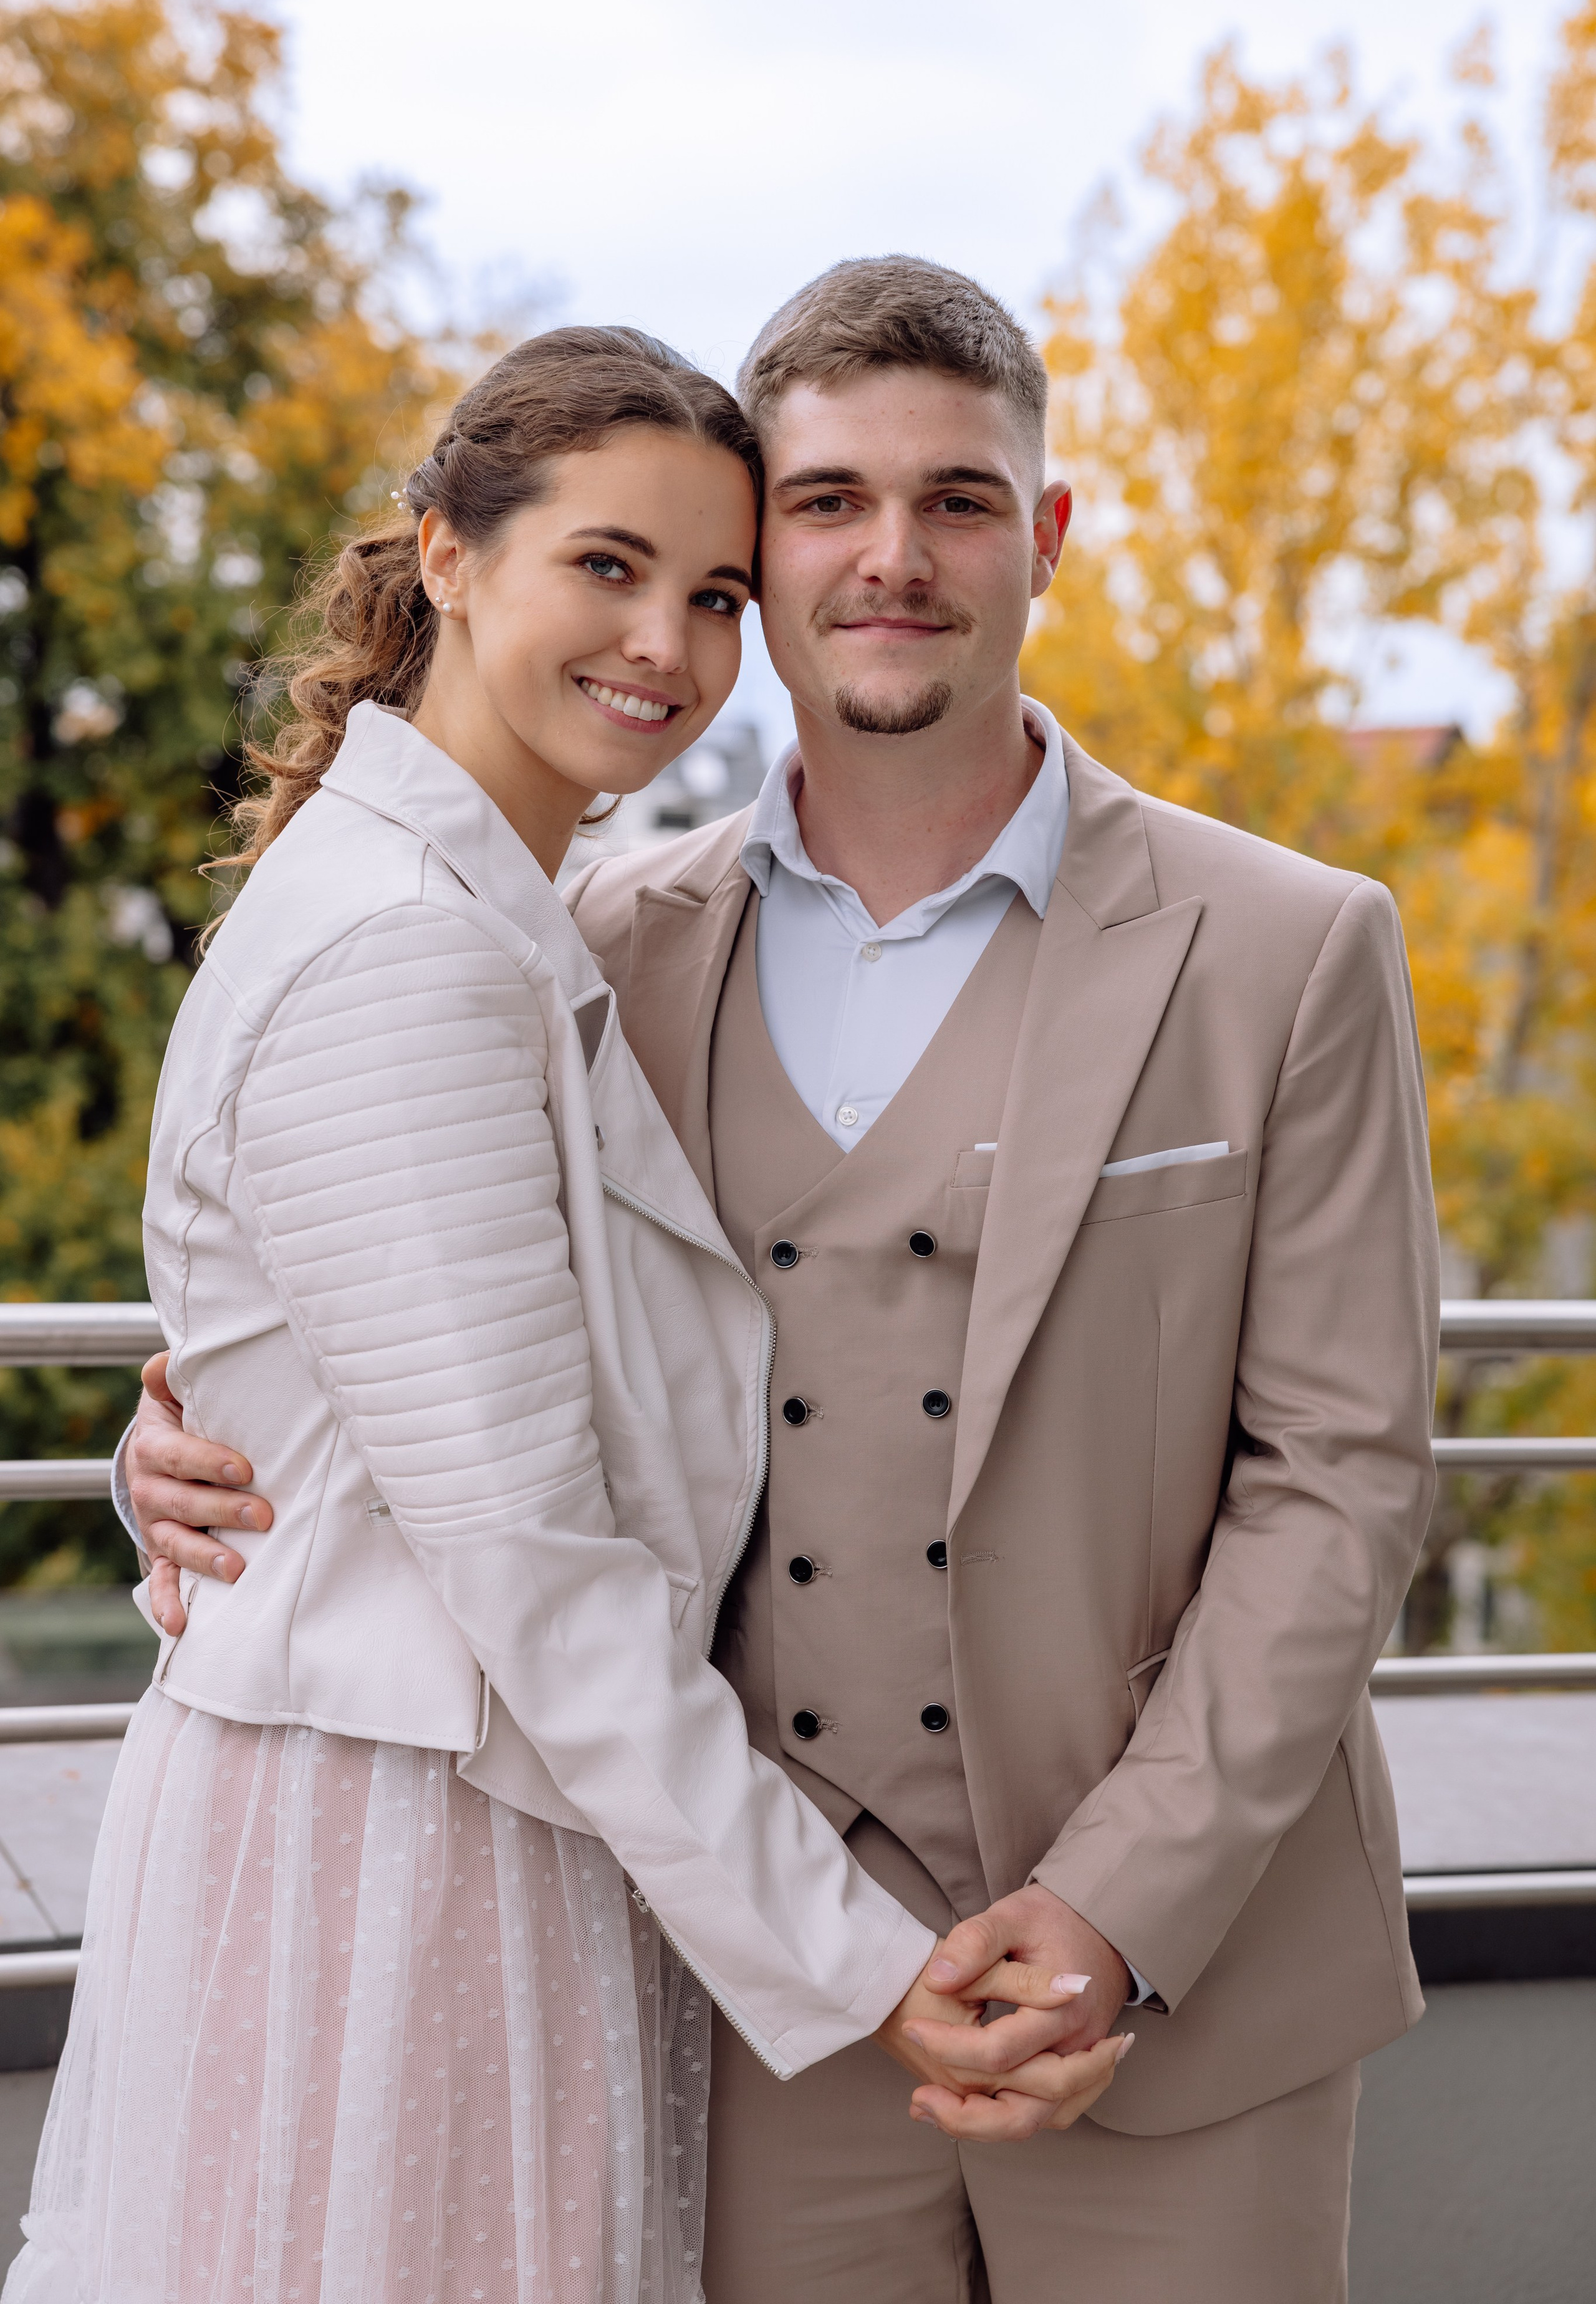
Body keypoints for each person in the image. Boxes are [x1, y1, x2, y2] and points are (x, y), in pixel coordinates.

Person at [120, 259, 1439, 2304]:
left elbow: (1343, 1478)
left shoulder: (1289, 945)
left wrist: (1116, 1906)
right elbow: (408, 1304)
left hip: (1185, 1985)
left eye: (960, 501)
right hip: (757, 1996)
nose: (887, 560)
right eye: (822, 507)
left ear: (1050, 536)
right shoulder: (591, 947)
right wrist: (213, 1425)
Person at [7, 325, 1127, 2304]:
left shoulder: (498, 914)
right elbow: (537, 1563)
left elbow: (373, 1387)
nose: (670, 648)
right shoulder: (410, 957)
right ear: (445, 553)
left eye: (712, 593)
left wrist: (209, 1439)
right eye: (605, 567)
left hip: (480, 1807)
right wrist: (867, 1970)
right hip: (411, 1842)